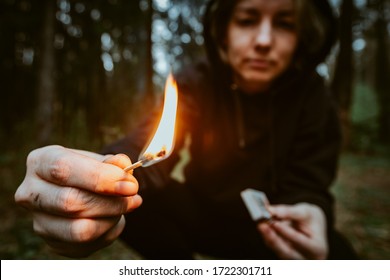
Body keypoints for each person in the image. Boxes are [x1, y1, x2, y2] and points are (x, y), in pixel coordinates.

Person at [15, 0, 357, 259]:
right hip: (203, 216)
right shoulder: (196, 82)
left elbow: (311, 183)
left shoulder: (313, 96)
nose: (264, 40)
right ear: (223, 29)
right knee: (138, 201)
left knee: (342, 258)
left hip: (273, 230)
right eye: (247, 20)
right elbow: (143, 145)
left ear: (303, 36)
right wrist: (96, 172)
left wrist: (313, 211)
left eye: (285, 23)